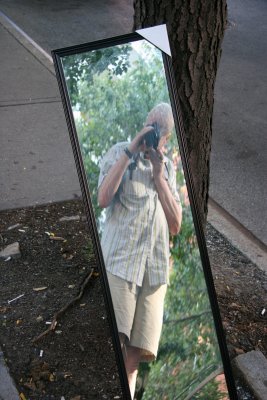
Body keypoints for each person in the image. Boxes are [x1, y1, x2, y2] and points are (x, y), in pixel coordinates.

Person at [97, 103, 182, 399]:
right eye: (150, 126)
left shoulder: (168, 168)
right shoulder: (121, 150)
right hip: (121, 262)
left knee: (132, 363)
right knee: (114, 349)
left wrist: (159, 177)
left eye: (157, 132)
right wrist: (130, 151)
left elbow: (175, 225)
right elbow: (103, 198)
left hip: (154, 272)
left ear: (166, 139)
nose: (150, 136)